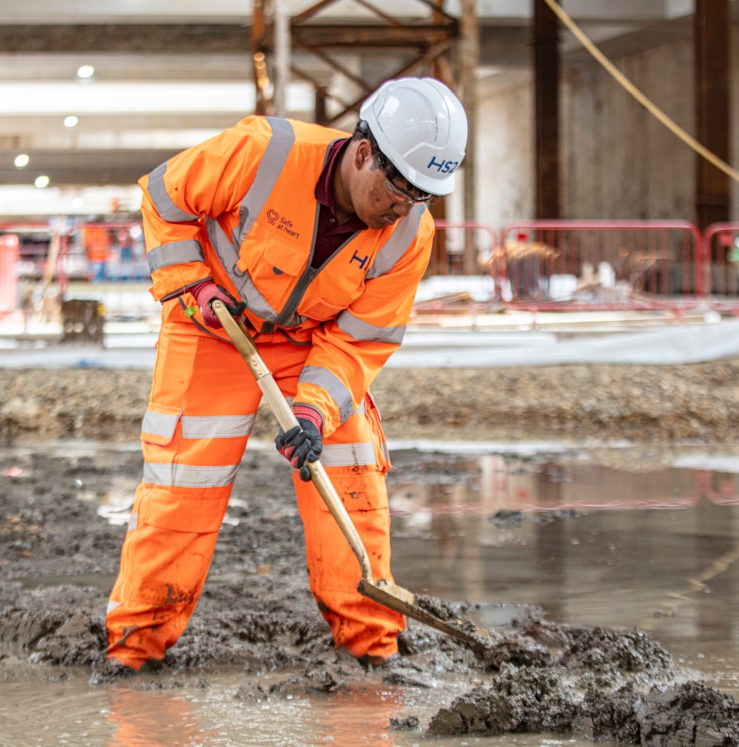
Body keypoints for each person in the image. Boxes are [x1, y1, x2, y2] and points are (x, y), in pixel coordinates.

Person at [103, 77, 468, 673]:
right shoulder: (263, 151)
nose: (402, 207)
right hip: (214, 324)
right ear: (363, 149)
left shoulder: (408, 233)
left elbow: (361, 339)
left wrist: (314, 411)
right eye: (398, 187)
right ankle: (133, 651)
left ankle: (371, 650)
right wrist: (190, 283)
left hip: (312, 341)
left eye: (423, 195)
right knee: (181, 489)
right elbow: (165, 198)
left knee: (351, 477)